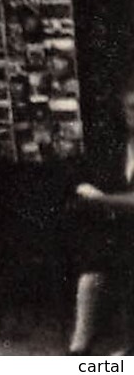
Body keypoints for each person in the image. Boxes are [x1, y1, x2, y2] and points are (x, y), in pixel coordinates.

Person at [68, 70, 134, 353]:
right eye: (130, 108)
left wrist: (103, 200)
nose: (133, 115)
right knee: (94, 268)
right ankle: (80, 348)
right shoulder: (120, 147)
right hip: (121, 231)